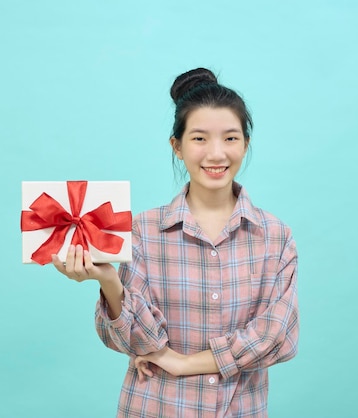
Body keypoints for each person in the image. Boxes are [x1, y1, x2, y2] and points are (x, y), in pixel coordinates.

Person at [52, 68, 299, 417]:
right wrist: (108, 280)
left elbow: (277, 337)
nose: (216, 154)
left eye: (230, 138)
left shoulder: (275, 236)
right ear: (177, 147)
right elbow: (133, 340)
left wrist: (182, 362)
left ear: (245, 144)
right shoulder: (143, 230)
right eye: (199, 138)